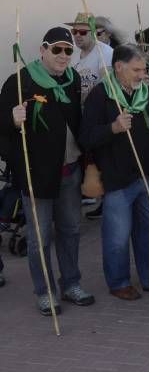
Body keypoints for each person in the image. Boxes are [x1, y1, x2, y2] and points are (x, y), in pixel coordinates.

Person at [0, 27, 93, 315]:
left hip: (70, 169)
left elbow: (77, 122)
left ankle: (71, 283)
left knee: (71, 230)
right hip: (36, 173)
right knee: (40, 238)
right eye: (57, 49)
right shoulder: (20, 81)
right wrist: (12, 120)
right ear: (43, 50)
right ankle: (45, 291)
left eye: (69, 50)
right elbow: (2, 129)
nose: (64, 55)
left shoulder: (72, 79)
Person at [80, 44, 149, 300]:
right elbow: (86, 137)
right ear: (118, 67)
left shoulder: (145, 93)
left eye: (143, 69)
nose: (141, 74)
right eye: (136, 69)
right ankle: (118, 282)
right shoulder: (101, 95)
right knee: (117, 236)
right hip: (118, 179)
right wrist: (113, 128)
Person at [66, 12, 114, 103]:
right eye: (74, 32)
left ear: (93, 33)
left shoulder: (105, 52)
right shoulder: (72, 52)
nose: (77, 35)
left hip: (97, 107)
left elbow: (106, 84)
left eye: (83, 32)